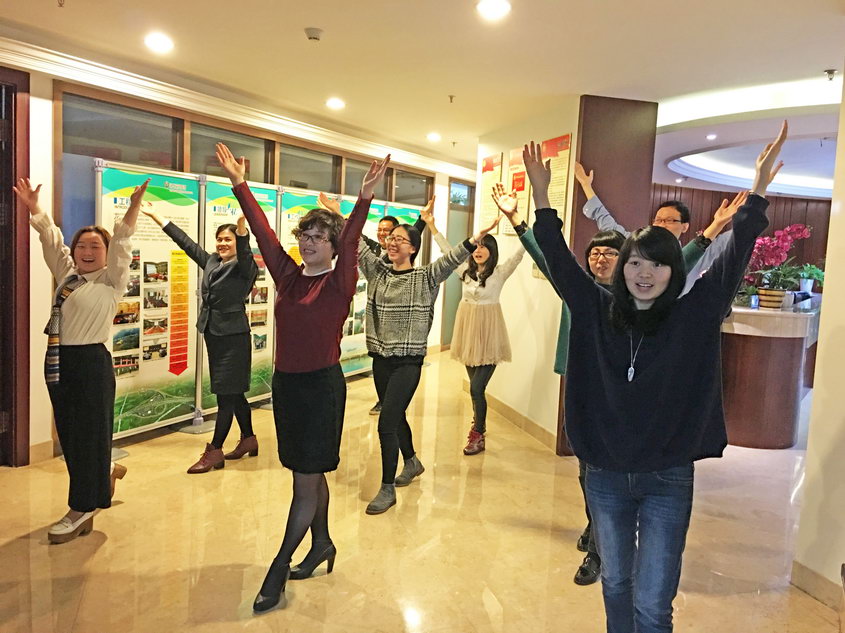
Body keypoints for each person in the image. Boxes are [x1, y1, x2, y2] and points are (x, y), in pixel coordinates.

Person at [528, 122, 786, 633]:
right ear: (623, 268)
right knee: (615, 584)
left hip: (667, 475)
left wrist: (756, 193)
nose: (644, 274)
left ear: (675, 271)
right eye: (635, 264)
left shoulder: (693, 315)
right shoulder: (595, 309)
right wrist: (541, 197)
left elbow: (734, 257)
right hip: (605, 473)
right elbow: (556, 257)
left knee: (652, 602)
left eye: (658, 266)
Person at [216, 142, 388, 613]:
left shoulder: (339, 281)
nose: (308, 242)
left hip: (320, 389)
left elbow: (352, 243)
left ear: (332, 245)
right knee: (308, 473)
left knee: (304, 482)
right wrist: (239, 184)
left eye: (318, 237)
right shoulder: (289, 278)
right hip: (287, 388)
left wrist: (364, 197)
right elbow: (264, 235)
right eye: (305, 235)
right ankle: (323, 543)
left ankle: (278, 567)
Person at [492, 183, 623, 586]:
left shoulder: (634, 298)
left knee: (604, 471)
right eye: (595, 253)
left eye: (610, 253)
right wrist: (517, 219)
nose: (600, 259)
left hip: (618, 394)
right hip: (581, 385)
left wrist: (708, 236)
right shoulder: (577, 290)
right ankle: (594, 524)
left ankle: (600, 550)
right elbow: (544, 254)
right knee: (586, 468)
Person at [14, 176, 148, 544]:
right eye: (81, 246)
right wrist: (35, 209)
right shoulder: (68, 275)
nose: (87, 251)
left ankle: (82, 508)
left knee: (87, 436)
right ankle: (103, 469)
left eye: (95, 246)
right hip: (59, 360)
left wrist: (133, 208)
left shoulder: (111, 280)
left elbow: (123, 242)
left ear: (106, 252)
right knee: (72, 435)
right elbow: (51, 240)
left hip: (90, 362)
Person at [358, 206, 501, 514]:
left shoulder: (425, 277)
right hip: (381, 358)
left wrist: (478, 235)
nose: (392, 242)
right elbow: (356, 244)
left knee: (386, 423)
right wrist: (344, 216)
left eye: (400, 239)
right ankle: (411, 462)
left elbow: (452, 258)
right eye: (391, 238)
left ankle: (386, 488)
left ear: (413, 248)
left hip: (408, 361)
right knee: (396, 416)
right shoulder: (378, 272)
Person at [142, 210, 259, 473]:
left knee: (225, 395)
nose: (222, 243)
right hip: (213, 333)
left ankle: (214, 451)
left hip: (233, 338)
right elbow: (186, 243)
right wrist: (160, 218)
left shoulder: (245, 267)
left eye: (228, 239)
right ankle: (249, 439)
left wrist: (242, 228)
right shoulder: (212, 262)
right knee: (233, 391)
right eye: (219, 239)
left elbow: (245, 252)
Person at [421, 193, 526, 455]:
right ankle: (479, 426)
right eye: (475, 246)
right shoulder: (464, 272)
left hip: (490, 334)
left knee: (477, 388)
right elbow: (447, 251)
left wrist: (521, 223)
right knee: (475, 390)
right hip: (467, 332)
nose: (478, 250)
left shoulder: (500, 273)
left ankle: (477, 433)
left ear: (492, 251)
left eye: (483, 246)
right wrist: (431, 225)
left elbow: (520, 253)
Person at [319, 192, 433, 418]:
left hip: (406, 350)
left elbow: (411, 238)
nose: (386, 236)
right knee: (393, 414)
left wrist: (422, 221)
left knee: (391, 418)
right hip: (381, 346)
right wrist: (337, 213)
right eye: (382, 231)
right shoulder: (376, 255)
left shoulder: (413, 271)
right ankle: (389, 410)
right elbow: (357, 240)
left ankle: (389, 409)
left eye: (391, 233)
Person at [574, 161, 748, 293]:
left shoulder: (693, 256)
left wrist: (722, 223)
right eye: (658, 220)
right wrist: (586, 185)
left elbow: (693, 255)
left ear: (685, 226)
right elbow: (606, 222)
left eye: (670, 220)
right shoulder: (635, 244)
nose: (662, 224)